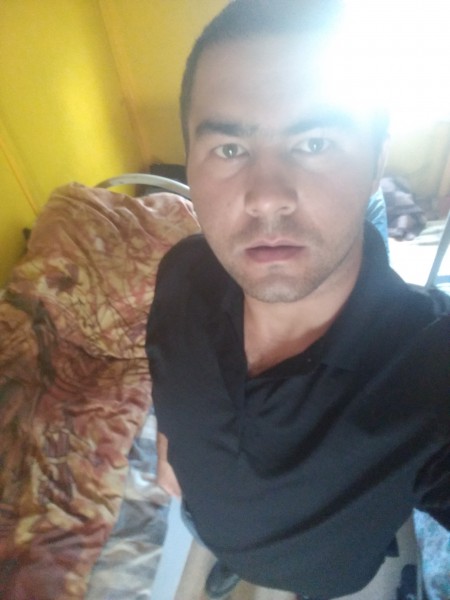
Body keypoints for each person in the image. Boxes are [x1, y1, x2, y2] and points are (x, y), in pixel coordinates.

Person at [145, 1, 450, 598]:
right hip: (207, 520)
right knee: (218, 538)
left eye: (314, 143)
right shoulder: (181, 273)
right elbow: (168, 372)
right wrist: (169, 442)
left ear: (376, 161)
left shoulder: (431, 374)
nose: (267, 198)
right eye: (229, 149)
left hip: (330, 574)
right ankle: (233, 557)